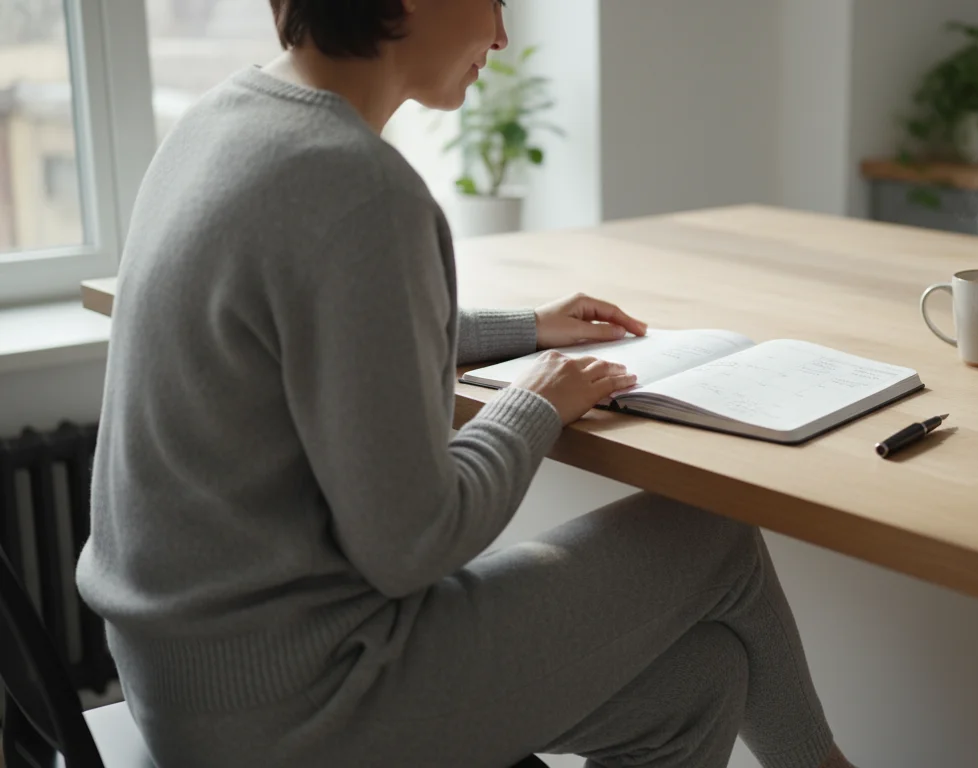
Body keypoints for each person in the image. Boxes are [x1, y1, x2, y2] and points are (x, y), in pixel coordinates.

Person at [75, 2, 858, 766]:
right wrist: (533, 405)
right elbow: (413, 543)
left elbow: (328, 330)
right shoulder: (357, 185)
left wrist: (523, 329)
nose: (504, 34)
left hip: (189, 685)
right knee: (711, 532)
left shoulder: (222, 120)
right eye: (495, 1)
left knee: (699, 683)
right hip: (304, 706)